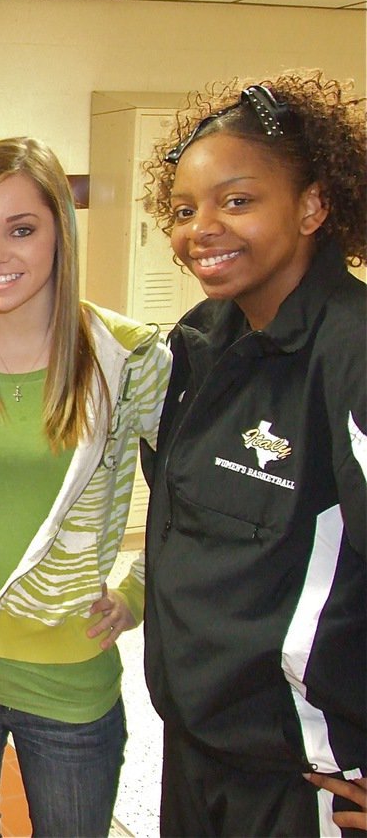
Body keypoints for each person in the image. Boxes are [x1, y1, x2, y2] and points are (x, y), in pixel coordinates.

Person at [0, 137, 171, 836]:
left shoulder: (126, 356)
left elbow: (199, 495)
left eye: (21, 229)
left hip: (68, 675)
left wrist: (141, 588)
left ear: (61, 230)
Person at [142, 70, 366, 836]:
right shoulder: (202, 341)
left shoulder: (352, 353)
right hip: (197, 747)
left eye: (237, 201)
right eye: (184, 209)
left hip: (305, 770)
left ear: (312, 206)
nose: (202, 227)